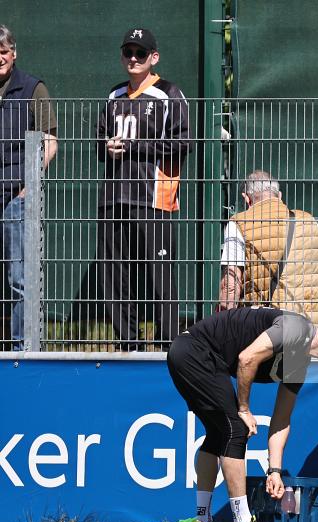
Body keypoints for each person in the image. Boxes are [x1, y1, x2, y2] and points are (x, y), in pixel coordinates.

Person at [166, 306, 318, 522]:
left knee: (218, 433)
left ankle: (202, 521)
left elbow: (281, 419)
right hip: (194, 351)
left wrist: (275, 471)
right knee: (236, 430)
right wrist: (243, 408)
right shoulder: (296, 328)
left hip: (194, 355)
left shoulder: (299, 364)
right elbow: (247, 358)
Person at [97, 28, 191, 350]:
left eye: (141, 53)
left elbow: (182, 144)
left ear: (154, 57)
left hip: (154, 199)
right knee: (116, 276)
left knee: (159, 276)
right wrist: (106, 147)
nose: (133, 59)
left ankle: (169, 346)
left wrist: (134, 147)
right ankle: (128, 345)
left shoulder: (168, 93)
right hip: (113, 197)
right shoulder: (113, 96)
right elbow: (98, 142)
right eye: (128, 52)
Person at [0, 24, 57, 350]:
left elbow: (50, 141)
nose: (0, 58)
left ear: (14, 53)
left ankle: (24, 347)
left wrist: (28, 185)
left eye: (4, 52)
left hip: (16, 196)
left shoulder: (32, 88)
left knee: (20, 278)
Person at [219, 170, 318, 323]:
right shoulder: (309, 220)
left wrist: (225, 324)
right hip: (311, 325)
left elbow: (230, 286)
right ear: (279, 195)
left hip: (266, 326)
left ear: (246, 199)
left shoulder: (239, 223)